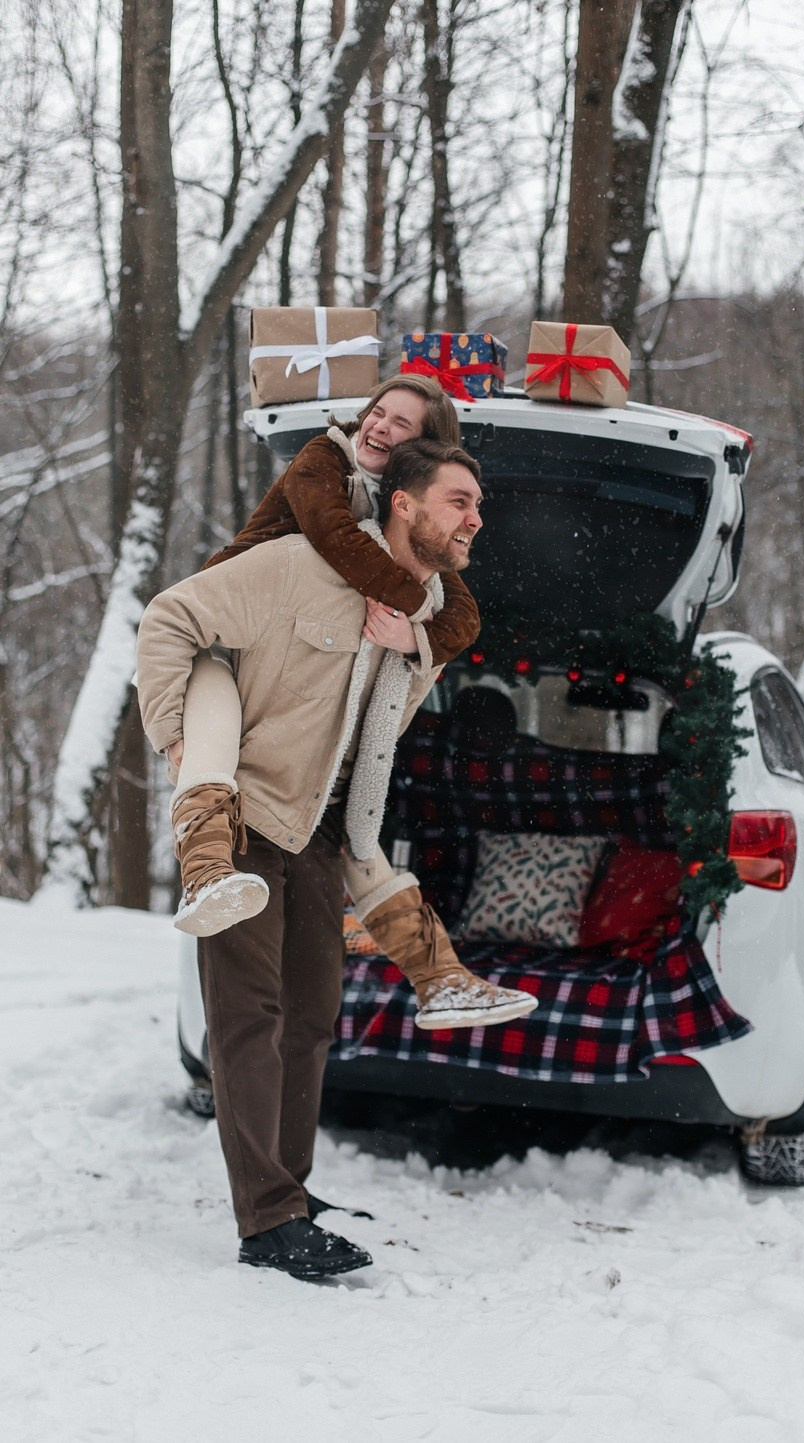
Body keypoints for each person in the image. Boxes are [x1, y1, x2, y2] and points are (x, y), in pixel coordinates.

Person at [136, 440, 537, 1280]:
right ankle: (267, 1219)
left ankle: (293, 1188)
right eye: (460, 501)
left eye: (477, 505)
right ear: (404, 503)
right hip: (245, 811)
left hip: (319, 824)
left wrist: (412, 643)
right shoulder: (294, 567)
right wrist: (178, 735)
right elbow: (171, 617)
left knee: (313, 1016)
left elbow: (379, 725)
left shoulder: (419, 605)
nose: (476, 518)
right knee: (249, 1015)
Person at [162, 373, 518, 1030]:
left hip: (286, 662)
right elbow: (332, 538)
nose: (378, 426)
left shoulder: (401, 508)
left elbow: (462, 618)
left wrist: (415, 637)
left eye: (400, 424)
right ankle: (207, 868)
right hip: (227, 637)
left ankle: (439, 977)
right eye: (377, 412)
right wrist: (413, 607)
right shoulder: (328, 458)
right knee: (208, 745)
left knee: (359, 833)